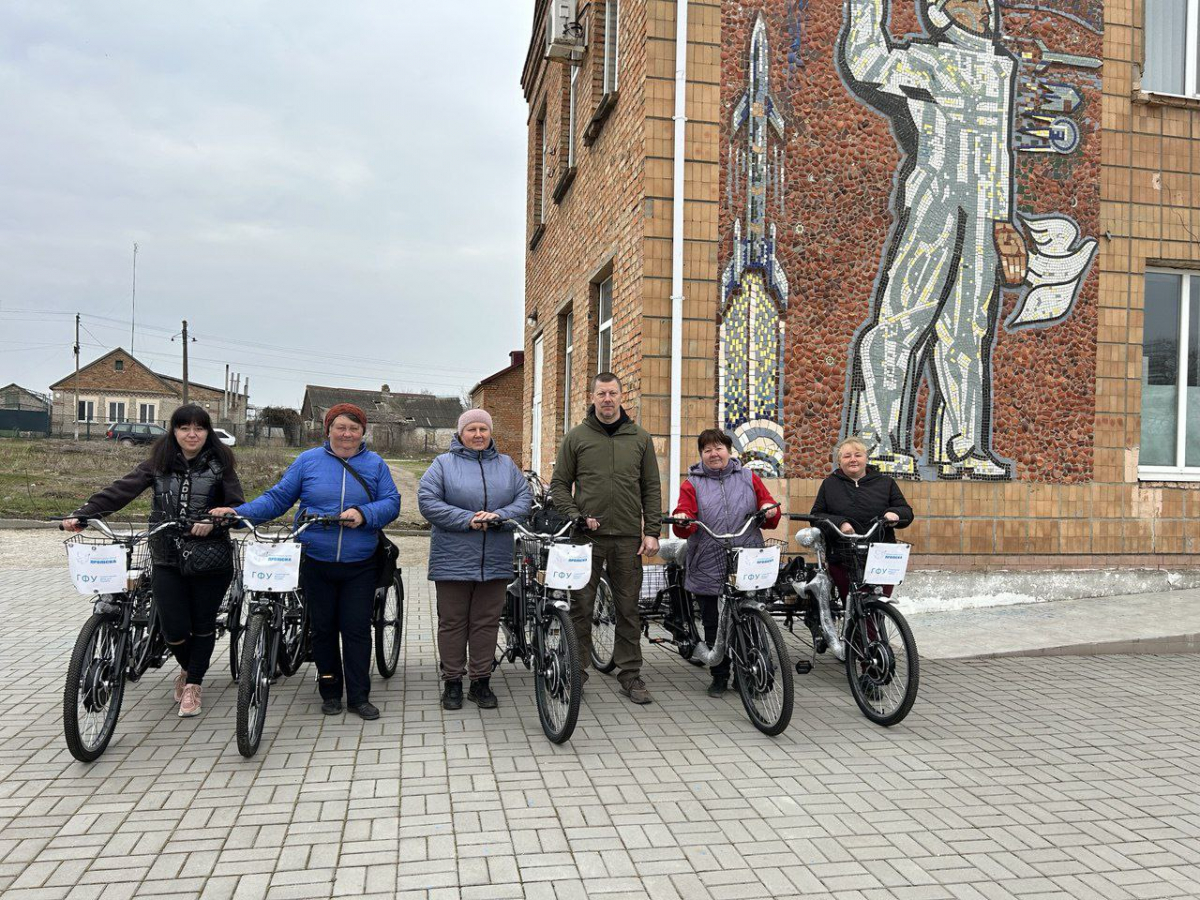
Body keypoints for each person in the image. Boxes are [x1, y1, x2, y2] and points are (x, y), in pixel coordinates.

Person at [212, 403, 399, 721]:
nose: (346, 434)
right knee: (323, 629)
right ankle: (329, 690)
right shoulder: (308, 461)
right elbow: (278, 498)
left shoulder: (375, 464)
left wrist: (364, 513)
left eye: (354, 428)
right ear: (328, 430)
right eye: (340, 427)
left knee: (355, 630)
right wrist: (238, 515)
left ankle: (358, 696)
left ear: (362, 432)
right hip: (315, 559)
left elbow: (392, 502)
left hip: (360, 563)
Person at [64, 404, 244, 718]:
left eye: (199, 428)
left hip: (209, 559)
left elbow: (235, 507)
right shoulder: (158, 463)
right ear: (173, 431)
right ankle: (190, 669)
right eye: (184, 427)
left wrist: (217, 521)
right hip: (165, 556)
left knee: (202, 624)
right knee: (173, 627)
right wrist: (85, 513)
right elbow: (122, 490)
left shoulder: (221, 464)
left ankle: (194, 683)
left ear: (207, 432)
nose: (192, 434)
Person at [550, 372, 662, 704]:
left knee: (628, 608)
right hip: (587, 538)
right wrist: (574, 515)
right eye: (602, 394)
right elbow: (558, 484)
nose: (608, 399)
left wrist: (652, 531)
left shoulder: (640, 438)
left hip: (628, 538)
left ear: (620, 396)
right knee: (581, 607)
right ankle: (577, 670)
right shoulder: (577, 437)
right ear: (593, 397)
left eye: (613, 393)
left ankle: (630, 674)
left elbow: (651, 488)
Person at [417, 409, 531, 711]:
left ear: (490, 432)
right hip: (452, 559)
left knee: (486, 621)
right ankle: (452, 680)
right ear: (461, 433)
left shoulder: (507, 465)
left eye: (483, 429)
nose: (478, 434)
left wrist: (499, 517)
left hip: (495, 559)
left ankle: (481, 681)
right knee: (453, 622)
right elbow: (428, 502)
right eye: (472, 429)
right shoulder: (442, 464)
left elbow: (524, 500)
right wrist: (468, 519)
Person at [671, 429, 781, 697]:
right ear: (701, 455)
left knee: (750, 616)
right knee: (713, 621)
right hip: (708, 556)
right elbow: (682, 517)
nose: (714, 453)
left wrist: (769, 508)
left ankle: (750, 673)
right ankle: (719, 674)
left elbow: (767, 508)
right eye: (707, 450)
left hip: (746, 557)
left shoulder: (748, 477)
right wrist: (683, 517)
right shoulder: (692, 484)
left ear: (729, 451)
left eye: (719, 448)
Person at [811, 437, 914, 599]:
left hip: (881, 554)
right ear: (839, 461)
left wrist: (895, 513)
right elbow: (816, 516)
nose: (853, 459)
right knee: (853, 605)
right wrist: (840, 523)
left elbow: (906, 511)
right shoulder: (830, 484)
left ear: (866, 458)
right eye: (847, 456)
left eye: (858, 455)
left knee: (879, 603)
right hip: (843, 554)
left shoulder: (885, 483)